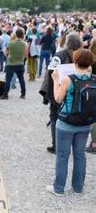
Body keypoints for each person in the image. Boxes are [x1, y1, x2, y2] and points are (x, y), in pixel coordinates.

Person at [46, 48, 94, 196]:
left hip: (66, 122)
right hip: (85, 122)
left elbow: (58, 99)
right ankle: (78, 187)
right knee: (80, 155)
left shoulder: (69, 79)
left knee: (63, 156)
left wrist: (55, 80)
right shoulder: (94, 79)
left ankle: (59, 188)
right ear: (90, 63)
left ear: (75, 61)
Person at [40, 32, 83, 154]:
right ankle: (69, 144)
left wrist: (49, 94)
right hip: (74, 91)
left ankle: (56, 145)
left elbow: (50, 74)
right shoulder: (81, 55)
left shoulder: (58, 56)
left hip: (58, 90)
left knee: (54, 117)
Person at [0, 28, 27, 100]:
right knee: (21, 79)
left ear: (16, 35)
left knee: (8, 79)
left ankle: (5, 94)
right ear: (22, 35)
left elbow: (4, 51)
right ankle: (23, 94)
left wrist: (8, 56)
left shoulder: (10, 43)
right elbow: (26, 55)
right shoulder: (24, 44)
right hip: (20, 63)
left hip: (11, 63)